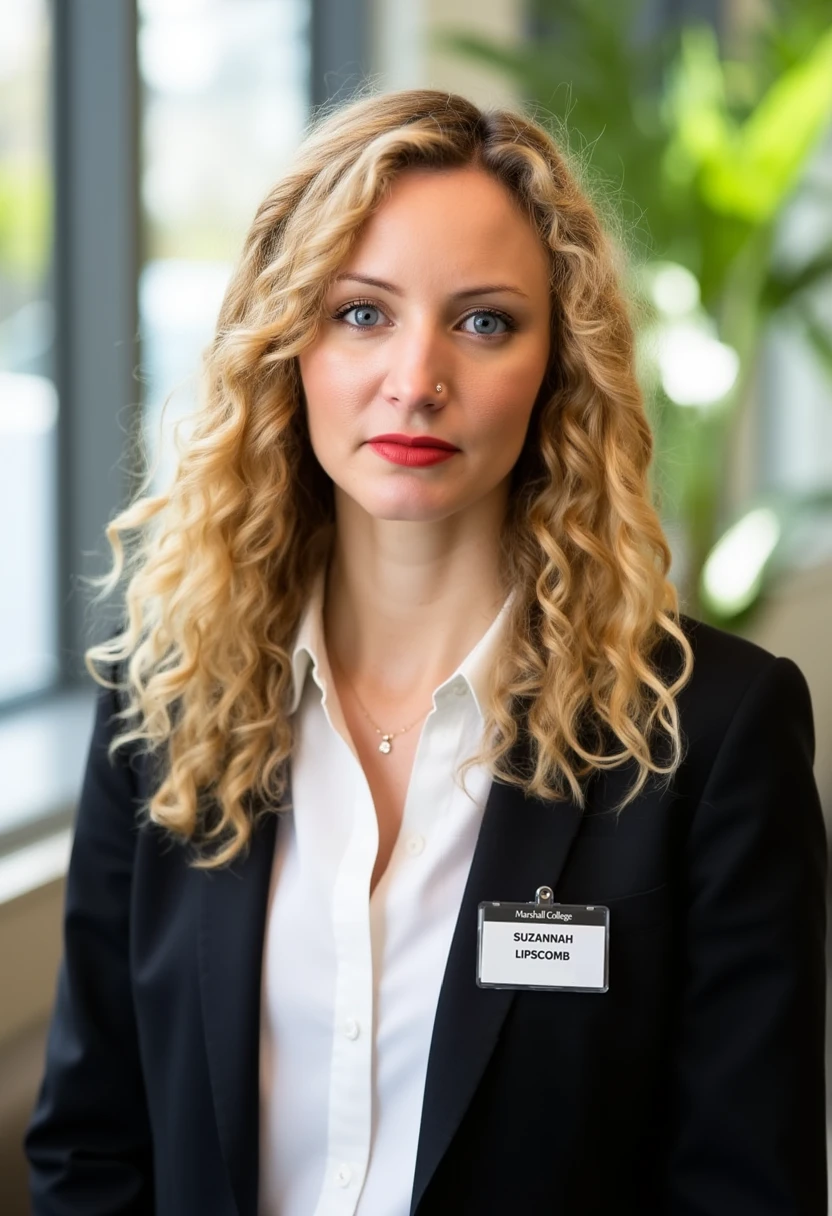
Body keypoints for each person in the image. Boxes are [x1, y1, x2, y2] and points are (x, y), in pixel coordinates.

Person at [24, 88, 827, 1215]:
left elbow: (746, 1188)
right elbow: (91, 1154)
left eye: (484, 320)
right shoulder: (159, 704)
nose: (416, 379)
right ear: (286, 340)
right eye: (361, 313)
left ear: (558, 365)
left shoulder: (710, 736)